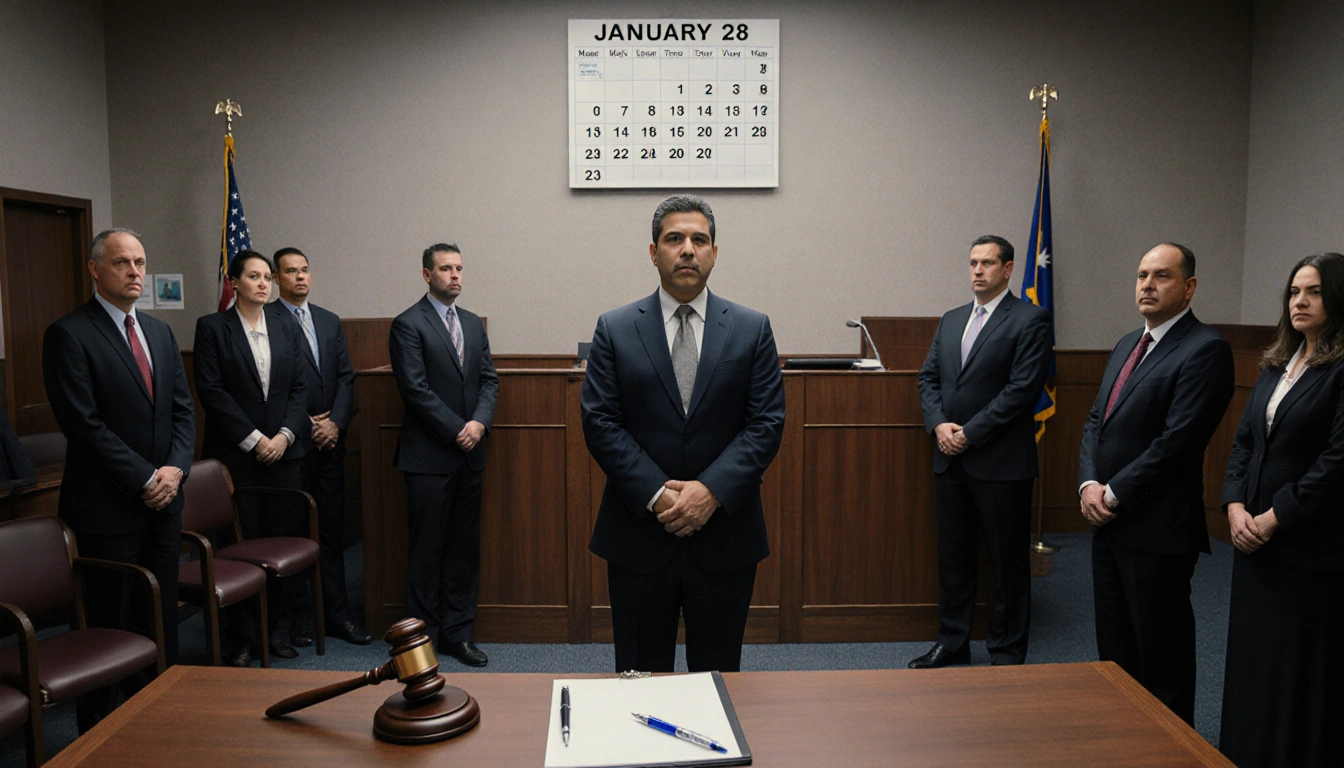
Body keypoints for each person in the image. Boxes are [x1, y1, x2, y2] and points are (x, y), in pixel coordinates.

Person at [581, 195, 786, 673]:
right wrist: (659, 496)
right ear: (653, 253)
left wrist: (710, 493)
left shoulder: (752, 329)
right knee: (639, 677)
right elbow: (600, 422)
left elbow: (766, 423)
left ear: (715, 252)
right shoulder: (614, 328)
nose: (688, 249)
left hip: (724, 536)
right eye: (675, 239)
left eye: (699, 240)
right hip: (638, 534)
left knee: (716, 680)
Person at [42, 228, 195, 731]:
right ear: (95, 270)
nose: (134, 272)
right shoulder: (69, 334)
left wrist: (173, 472)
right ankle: (102, 732)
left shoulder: (158, 331)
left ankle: (162, 712)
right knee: (110, 625)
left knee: (160, 619)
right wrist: (145, 477)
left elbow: (182, 412)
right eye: (122, 263)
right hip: (107, 508)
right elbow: (83, 425)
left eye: (140, 262)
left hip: (164, 502)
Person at [1077, 242, 1234, 725]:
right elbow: (1096, 420)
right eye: (1142, 274)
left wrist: (1114, 491)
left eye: (1161, 276)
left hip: (1157, 530)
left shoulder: (1205, 349)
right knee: (1116, 651)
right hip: (1108, 524)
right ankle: (1124, 743)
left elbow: (1177, 442)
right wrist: (1087, 483)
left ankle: (1170, 752)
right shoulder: (1129, 343)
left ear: (1188, 288)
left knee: (1161, 658)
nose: (1147, 284)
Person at [1219, 252, 1344, 767]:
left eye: (1313, 291)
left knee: (1297, 669)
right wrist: (1232, 505)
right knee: (1255, 660)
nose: (1299, 301)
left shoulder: (1338, 369)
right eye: (1294, 291)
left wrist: (1274, 517)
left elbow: (1337, 461)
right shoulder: (1278, 362)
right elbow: (1245, 442)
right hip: (1253, 540)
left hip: (1307, 546)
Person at [910, 235, 1053, 669]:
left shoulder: (1031, 319)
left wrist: (969, 433)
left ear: (1007, 270)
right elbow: (928, 379)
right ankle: (952, 643)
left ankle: (1006, 653)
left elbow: (1021, 391)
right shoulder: (952, 319)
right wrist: (938, 425)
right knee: (953, 559)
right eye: (973, 262)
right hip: (949, 458)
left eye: (987, 263)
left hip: (1000, 463)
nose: (977, 271)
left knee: (1006, 566)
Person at [193, 250, 310, 665]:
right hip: (236, 458)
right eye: (254, 276)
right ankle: (242, 637)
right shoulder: (213, 328)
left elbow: (300, 389)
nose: (263, 283)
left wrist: (282, 436)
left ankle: (275, 630)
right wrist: (253, 439)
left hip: (285, 452)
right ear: (235, 282)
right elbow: (212, 391)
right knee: (241, 547)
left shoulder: (286, 324)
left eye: (266, 277)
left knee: (282, 542)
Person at [389, 243, 498, 667]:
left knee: (463, 550)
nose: (455, 275)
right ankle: (422, 642)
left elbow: (489, 380)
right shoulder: (407, 324)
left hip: (470, 456)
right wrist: (457, 429)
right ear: (426, 275)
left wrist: (479, 424)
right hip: (428, 459)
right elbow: (415, 389)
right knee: (426, 552)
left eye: (459, 268)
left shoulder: (472, 324)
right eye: (445, 269)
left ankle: (458, 634)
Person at [271, 247, 372, 646]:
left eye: (305, 270)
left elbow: (346, 378)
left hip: (330, 445)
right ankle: (299, 619)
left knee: (331, 533)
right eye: (291, 272)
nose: (300, 277)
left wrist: (336, 424)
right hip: (292, 447)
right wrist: (304, 425)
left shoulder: (328, 321)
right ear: (276, 279)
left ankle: (337, 615)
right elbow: (275, 388)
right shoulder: (268, 319)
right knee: (295, 534)